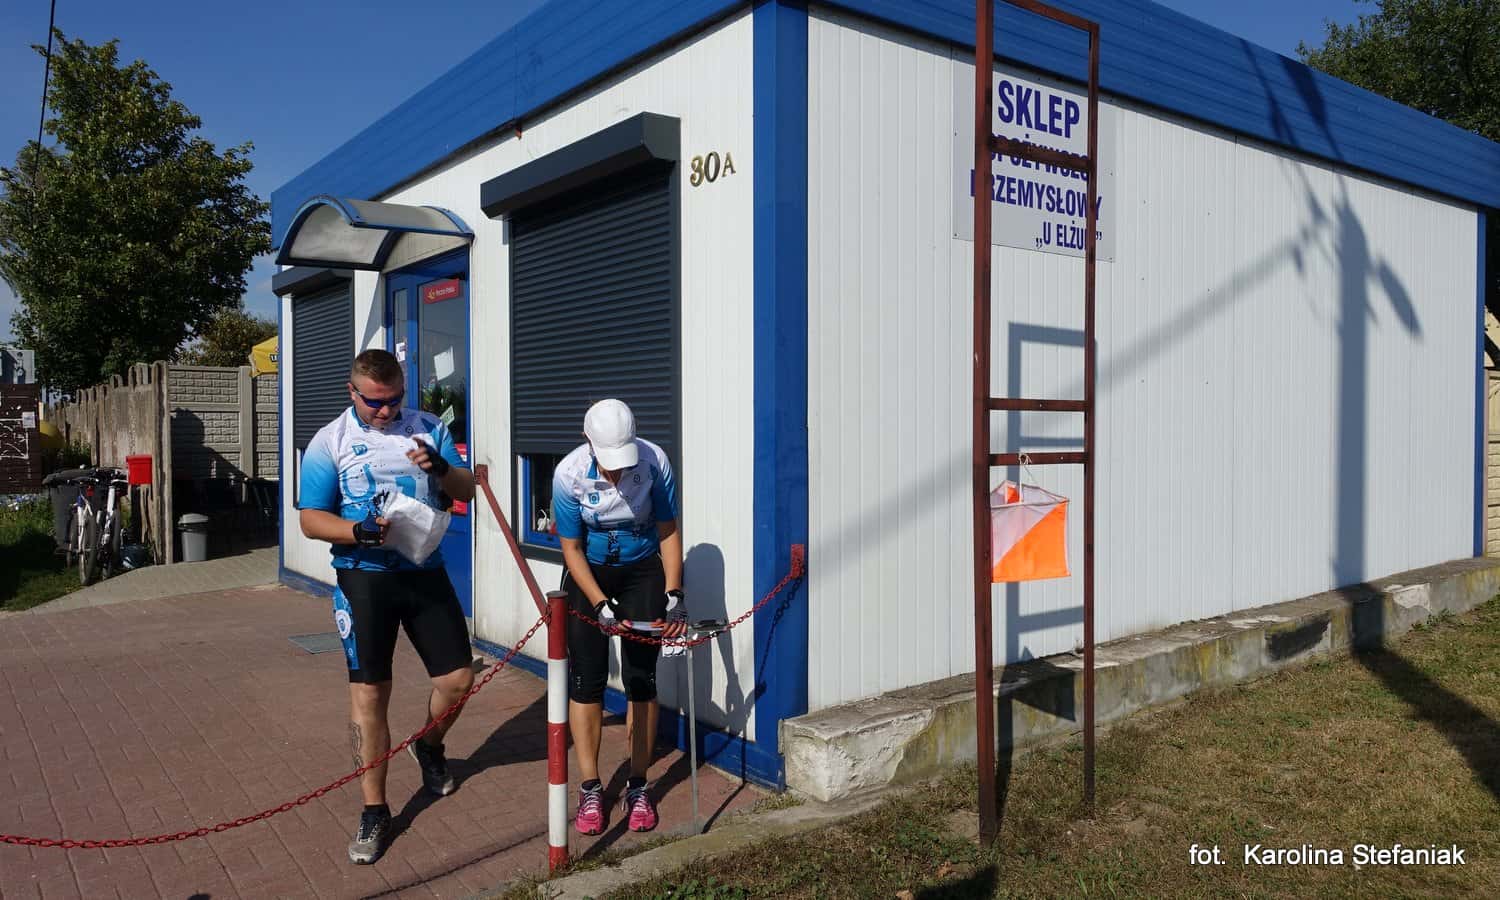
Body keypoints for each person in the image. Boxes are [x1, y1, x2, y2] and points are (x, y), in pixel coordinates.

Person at [297, 348, 476, 865]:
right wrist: (356, 531)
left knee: (458, 680)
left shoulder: (426, 427)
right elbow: (310, 518)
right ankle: (374, 809)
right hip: (364, 577)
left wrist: (442, 468)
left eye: (394, 399)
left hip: (424, 570)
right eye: (374, 402)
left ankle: (429, 745)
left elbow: (468, 489)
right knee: (371, 694)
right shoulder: (330, 440)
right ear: (352, 392)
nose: (385, 411)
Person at [553, 398, 686, 835]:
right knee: (586, 680)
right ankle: (591, 787)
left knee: (641, 679)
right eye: (608, 463)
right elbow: (571, 548)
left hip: (641, 570)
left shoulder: (654, 461)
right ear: (587, 441)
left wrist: (674, 593)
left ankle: (639, 784)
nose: (616, 473)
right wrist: (599, 603)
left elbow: (667, 530)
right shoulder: (569, 474)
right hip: (588, 573)